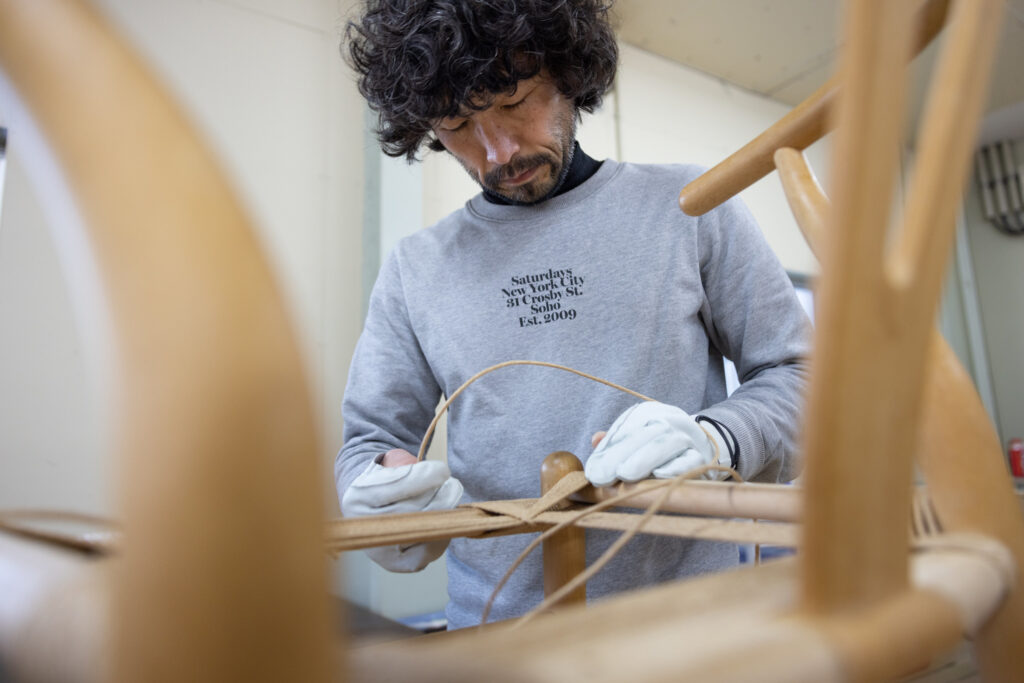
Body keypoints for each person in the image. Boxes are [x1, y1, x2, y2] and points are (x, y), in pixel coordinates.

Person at [336, 0, 810, 630]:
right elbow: (370, 443)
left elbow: (801, 376)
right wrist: (383, 500)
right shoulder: (415, 268)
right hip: (503, 644)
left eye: (515, 101)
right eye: (457, 124)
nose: (498, 150)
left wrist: (716, 438)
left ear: (566, 72)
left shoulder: (693, 205)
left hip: (704, 627)